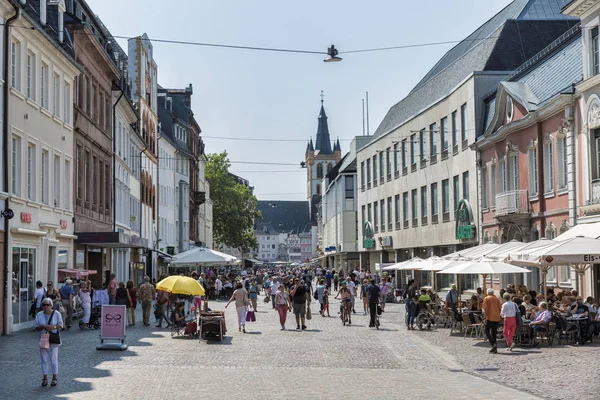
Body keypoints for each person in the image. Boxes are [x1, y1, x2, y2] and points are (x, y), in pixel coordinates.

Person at [36, 298, 63, 387]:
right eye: (44, 305)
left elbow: (61, 325)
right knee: (44, 359)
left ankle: (54, 378)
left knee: (53, 359)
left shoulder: (57, 314)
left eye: (48, 305)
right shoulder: (39, 315)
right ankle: (45, 378)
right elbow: (36, 328)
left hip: (53, 339)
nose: (46, 307)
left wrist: (53, 327)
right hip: (43, 339)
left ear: (51, 305)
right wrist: (43, 326)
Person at [482, 288, 502, 354]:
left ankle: (493, 344)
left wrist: (484, 318)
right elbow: (500, 308)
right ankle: (494, 348)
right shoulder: (497, 299)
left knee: (487, 331)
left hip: (489, 317)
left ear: (488, 293)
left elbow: (485, 309)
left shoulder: (486, 298)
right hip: (497, 317)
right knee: (494, 333)